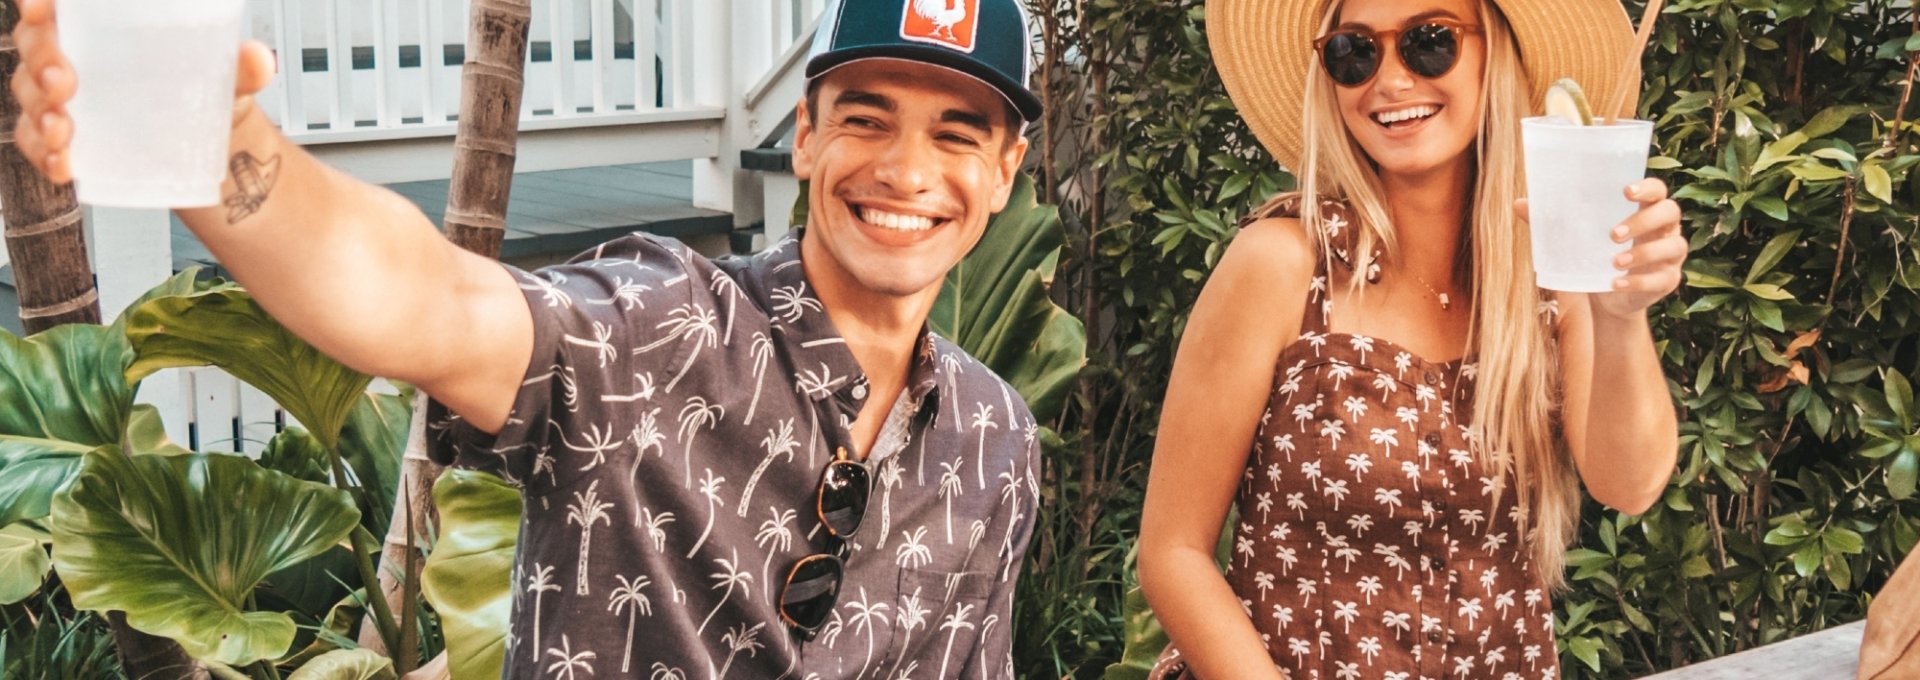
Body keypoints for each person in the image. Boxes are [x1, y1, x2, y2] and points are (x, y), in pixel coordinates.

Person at [10, 0, 1044, 676]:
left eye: (956, 134)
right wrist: (221, 149)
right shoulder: (657, 332)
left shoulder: (997, 436)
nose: (908, 171)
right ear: (809, 134)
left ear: (1005, 170)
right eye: (867, 119)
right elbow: (420, 296)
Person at [1136, 0, 1684, 678]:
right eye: (1355, 52)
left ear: (1496, 53)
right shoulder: (1283, 266)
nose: (1390, 81)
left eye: (1430, 42)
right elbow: (1173, 551)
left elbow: (1629, 484)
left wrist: (1622, 314)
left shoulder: (1544, 274)